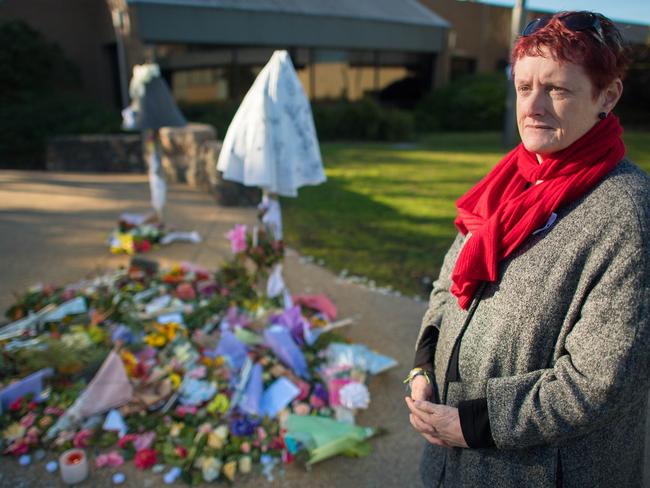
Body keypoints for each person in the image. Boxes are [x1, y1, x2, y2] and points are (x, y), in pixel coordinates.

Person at [404, 11, 649, 487]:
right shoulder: (507, 183)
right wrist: (422, 368)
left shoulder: (628, 214)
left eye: (556, 89)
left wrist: (473, 424)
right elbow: (444, 288)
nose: (532, 107)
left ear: (608, 95)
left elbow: (599, 382)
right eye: (523, 87)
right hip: (449, 462)